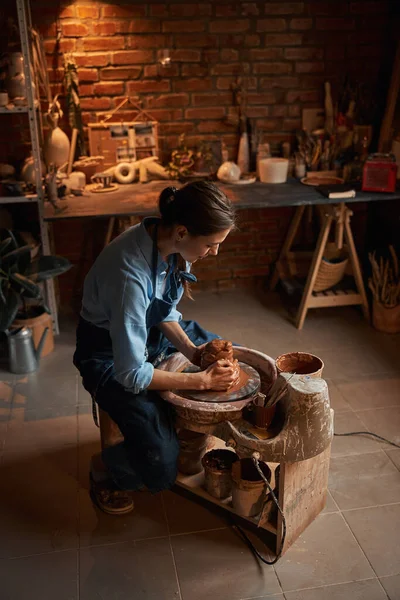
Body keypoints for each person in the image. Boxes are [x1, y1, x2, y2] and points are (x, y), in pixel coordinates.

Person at [73, 180, 237, 515]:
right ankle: (108, 471)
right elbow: (131, 372)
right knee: (162, 463)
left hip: (146, 332)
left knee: (216, 348)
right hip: (106, 354)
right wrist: (201, 381)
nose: (215, 252)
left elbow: (161, 311)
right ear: (182, 232)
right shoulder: (128, 274)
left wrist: (194, 353)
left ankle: (177, 426)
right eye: (211, 244)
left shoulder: (169, 245)